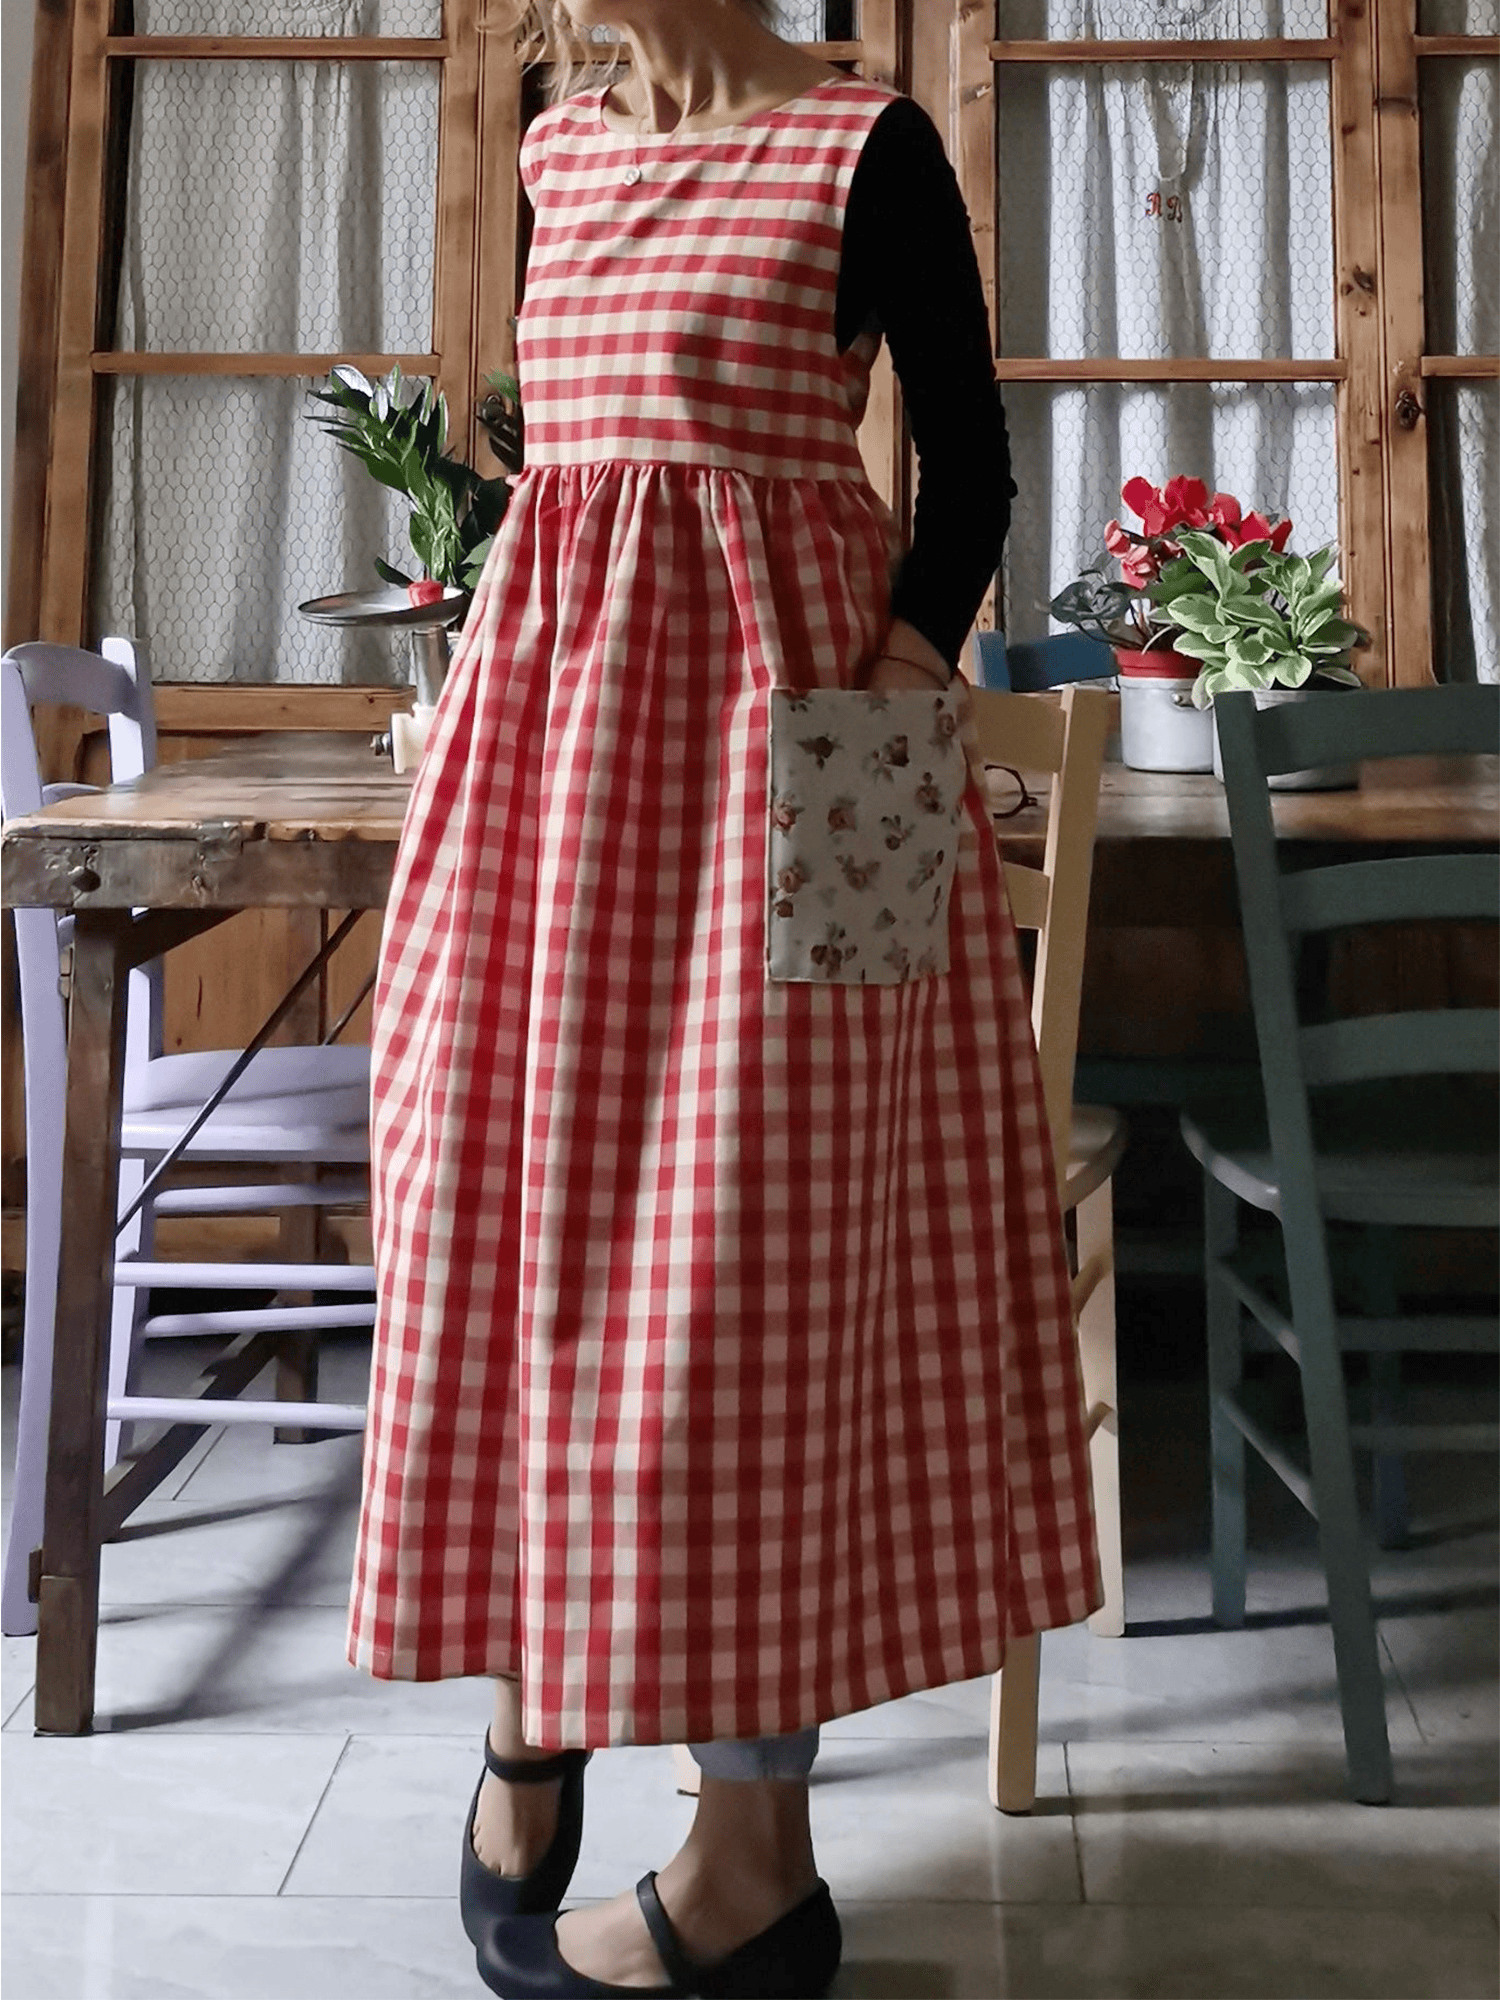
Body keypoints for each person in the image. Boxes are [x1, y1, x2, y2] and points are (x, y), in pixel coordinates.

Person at [347, 3, 1101, 1995]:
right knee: (494, 1220)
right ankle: (537, 1702)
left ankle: (755, 1850)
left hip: (795, 776)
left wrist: (877, 691)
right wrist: (481, 686)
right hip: (550, 793)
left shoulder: (863, 148)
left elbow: (973, 479)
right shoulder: (560, 149)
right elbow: (566, 485)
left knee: (746, 1283)